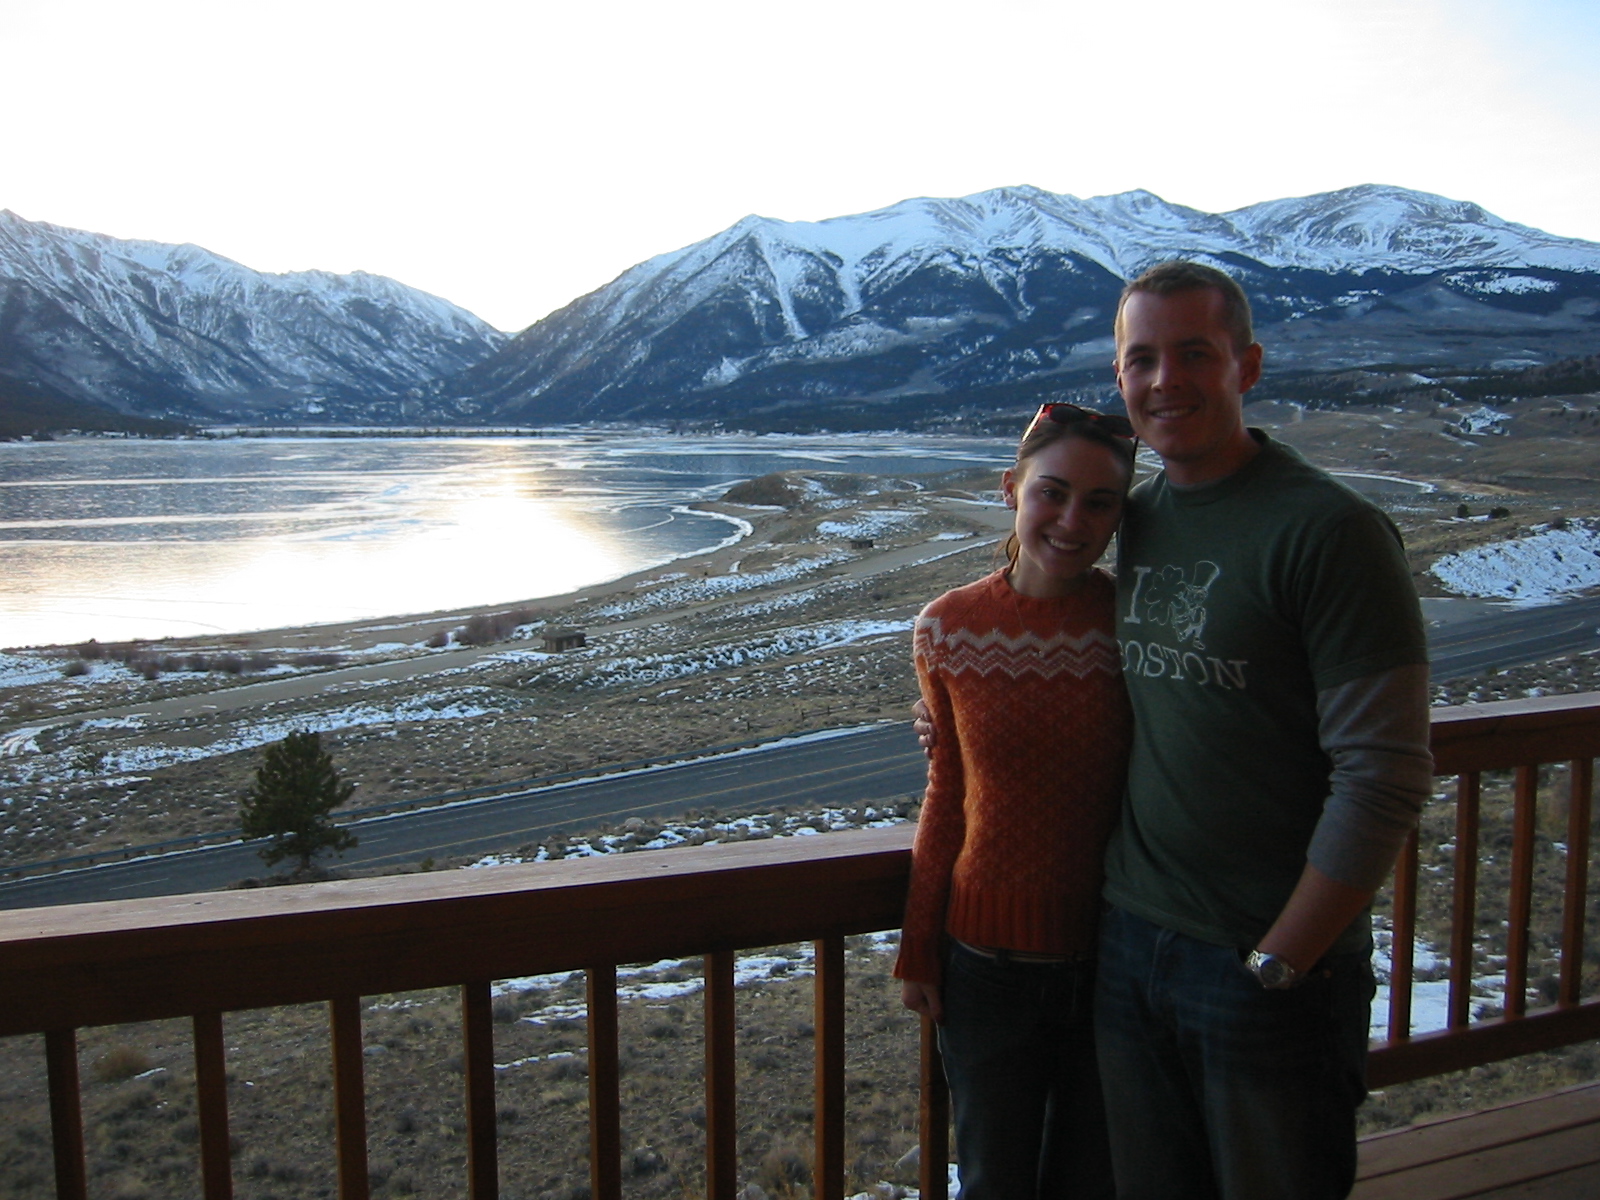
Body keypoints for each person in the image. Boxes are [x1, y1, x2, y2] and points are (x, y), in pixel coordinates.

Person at [1094, 261, 1433, 1200]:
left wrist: (1286, 957)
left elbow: (1385, 771)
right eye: (1142, 359)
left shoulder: (1331, 531)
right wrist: (946, 704)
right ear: (1118, 378)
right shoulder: (1139, 516)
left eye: (1194, 354)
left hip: (1263, 958)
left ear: (1249, 365)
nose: (1166, 381)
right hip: (1129, 939)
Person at [895, 403, 1136, 1200]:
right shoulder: (947, 629)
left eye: (1099, 503)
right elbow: (949, 794)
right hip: (983, 973)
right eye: (1052, 493)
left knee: (1092, 1178)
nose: (1072, 521)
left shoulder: (1138, 626)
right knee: (994, 1180)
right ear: (1011, 490)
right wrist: (920, 944)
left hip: (1117, 962)